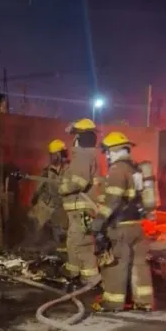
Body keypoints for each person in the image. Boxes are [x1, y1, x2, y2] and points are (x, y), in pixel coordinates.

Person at [90, 131, 155, 312]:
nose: (107, 156)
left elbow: (113, 200)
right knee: (139, 265)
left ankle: (113, 302)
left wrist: (99, 221)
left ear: (113, 151)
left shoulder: (117, 170)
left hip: (120, 227)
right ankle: (144, 302)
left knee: (116, 265)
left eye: (107, 152)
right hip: (137, 226)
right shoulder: (136, 170)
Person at [59, 118, 102, 290]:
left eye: (75, 135)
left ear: (79, 137)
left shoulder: (83, 156)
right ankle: (73, 272)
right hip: (78, 209)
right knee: (74, 241)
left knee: (82, 244)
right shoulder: (86, 156)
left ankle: (91, 279)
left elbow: (78, 182)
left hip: (81, 208)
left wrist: (63, 188)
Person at [24, 139, 70, 249]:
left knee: (61, 235)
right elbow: (39, 186)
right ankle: (32, 250)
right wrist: (34, 198)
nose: (52, 157)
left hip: (61, 206)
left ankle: (60, 251)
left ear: (60, 154)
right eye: (51, 155)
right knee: (35, 227)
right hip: (46, 204)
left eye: (54, 155)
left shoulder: (69, 170)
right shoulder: (47, 170)